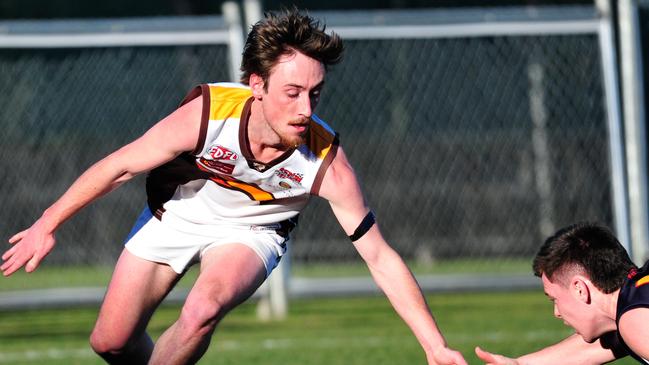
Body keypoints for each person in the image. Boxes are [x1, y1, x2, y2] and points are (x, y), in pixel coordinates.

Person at [2, 8, 468, 365]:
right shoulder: (209, 113)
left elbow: (380, 257)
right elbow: (120, 166)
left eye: (316, 93)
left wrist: (435, 346)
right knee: (110, 341)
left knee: (204, 307)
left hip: (253, 232)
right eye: (292, 92)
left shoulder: (326, 161)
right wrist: (48, 221)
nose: (306, 107)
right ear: (257, 85)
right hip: (181, 212)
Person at [475, 222, 649, 364]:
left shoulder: (634, 321)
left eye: (555, 299)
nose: (556, 312)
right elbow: (595, 348)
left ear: (580, 289)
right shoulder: (634, 300)